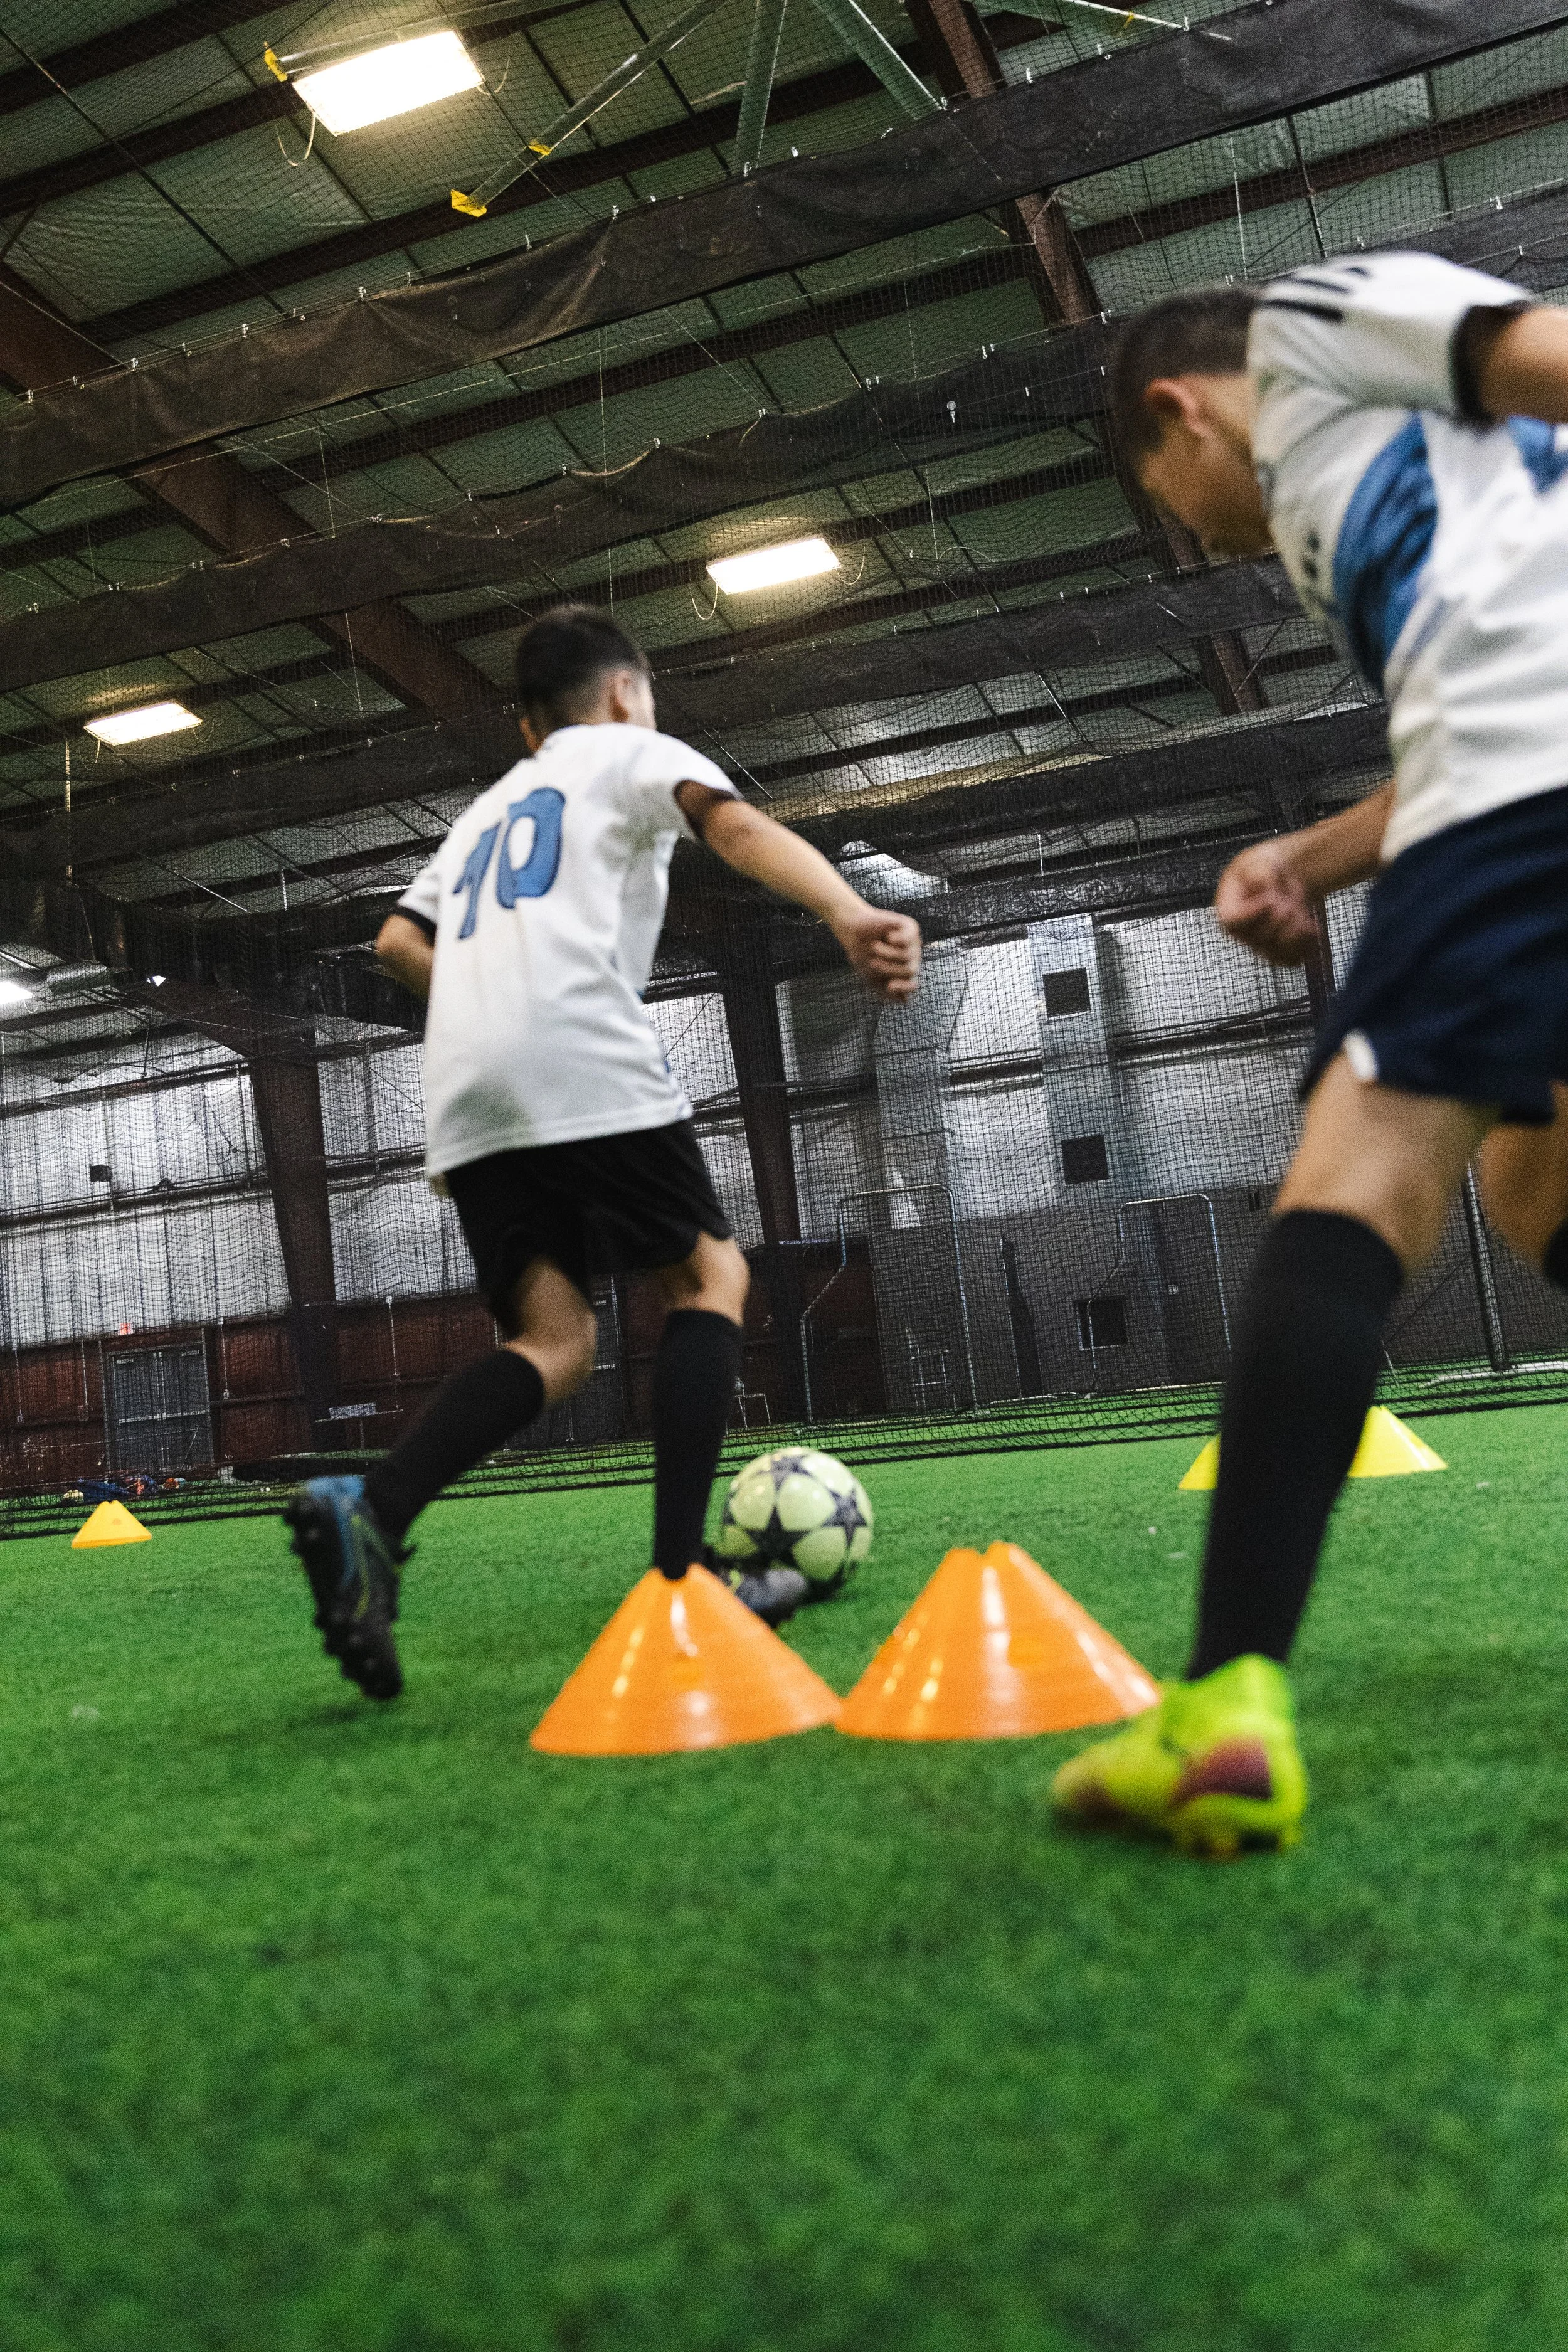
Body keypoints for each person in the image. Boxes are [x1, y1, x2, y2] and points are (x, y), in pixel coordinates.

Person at [1052, 252, 1568, 1854]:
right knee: (1537, 1192)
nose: (1198, 534)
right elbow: (1471, 725)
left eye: (1169, 497)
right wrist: (1307, 863)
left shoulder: (1307, 325)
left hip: (1529, 802)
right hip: (1508, 792)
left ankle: (1218, 1707)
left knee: (1351, 1193)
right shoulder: (1450, 496)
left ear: (1179, 408)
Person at [285, 606, 921, 1699]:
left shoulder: (489, 811)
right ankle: (683, 1576)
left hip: (469, 1080)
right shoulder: (635, 748)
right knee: (709, 1275)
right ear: (627, 692)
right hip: (579, 1044)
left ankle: (374, 1508)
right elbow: (734, 830)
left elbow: (396, 940)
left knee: (556, 1336)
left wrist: (492, 1002)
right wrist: (847, 909)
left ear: (528, 728)